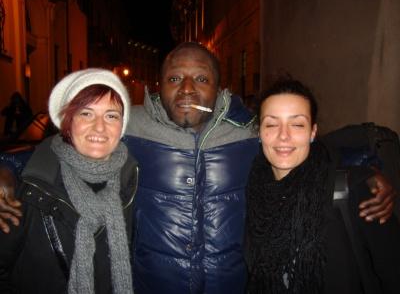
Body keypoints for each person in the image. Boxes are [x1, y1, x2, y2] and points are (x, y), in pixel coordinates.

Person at [0, 42, 396, 294]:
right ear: (157, 86)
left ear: (219, 88)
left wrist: (368, 171)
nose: (187, 89)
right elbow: (65, 144)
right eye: (175, 78)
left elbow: (305, 146)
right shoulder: (127, 125)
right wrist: (4, 168)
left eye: (200, 79)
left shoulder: (252, 130)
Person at [245, 78, 400, 293]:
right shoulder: (253, 190)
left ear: (312, 132)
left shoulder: (357, 192)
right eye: (271, 124)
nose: (283, 135)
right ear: (259, 132)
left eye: (297, 124)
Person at [0, 68, 137, 294]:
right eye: (86, 113)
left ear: (121, 126)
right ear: (67, 121)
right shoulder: (27, 187)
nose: (100, 127)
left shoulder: (132, 178)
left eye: (111, 115)